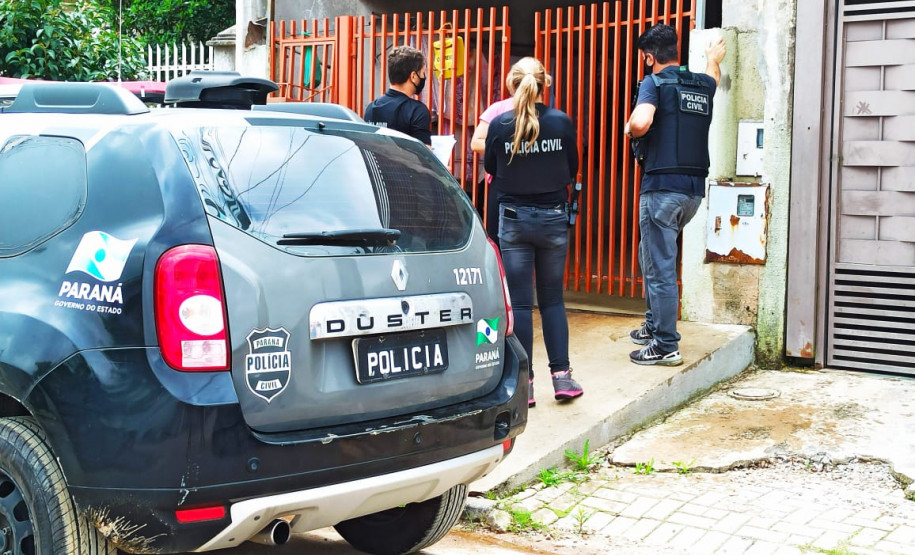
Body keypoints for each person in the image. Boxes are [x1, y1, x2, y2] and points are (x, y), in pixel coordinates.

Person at [483, 57, 583, 407]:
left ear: (511, 84)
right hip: (554, 219)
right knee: (553, 299)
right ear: (546, 84)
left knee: (521, 304)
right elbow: (572, 167)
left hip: (513, 220)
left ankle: (525, 384)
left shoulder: (499, 124)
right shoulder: (560, 122)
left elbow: (491, 168)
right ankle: (563, 377)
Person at [624, 24, 726, 366]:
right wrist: (713, 57)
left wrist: (629, 126)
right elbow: (713, 75)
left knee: (660, 269)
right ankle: (655, 325)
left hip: (662, 190)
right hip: (692, 193)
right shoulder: (701, 83)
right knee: (651, 257)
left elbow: (640, 124)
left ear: (649, 57)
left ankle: (665, 345)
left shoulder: (653, 84)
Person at [470, 75, 515, 246]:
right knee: (498, 237)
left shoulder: (540, 111)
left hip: (531, 183)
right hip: (502, 180)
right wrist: (509, 148)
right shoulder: (499, 108)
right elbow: (476, 142)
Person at [363, 45, 432, 146]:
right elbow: (424, 156)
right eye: (422, 73)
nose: (423, 77)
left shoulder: (371, 108)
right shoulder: (417, 111)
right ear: (413, 76)